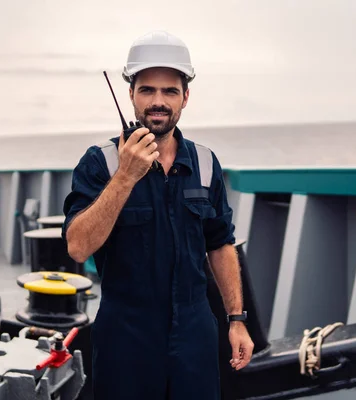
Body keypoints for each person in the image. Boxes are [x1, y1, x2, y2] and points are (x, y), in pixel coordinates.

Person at [62, 30, 254, 399]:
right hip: (126, 335)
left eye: (169, 91)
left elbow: (220, 244)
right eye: (147, 90)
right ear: (131, 94)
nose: (158, 102)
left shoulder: (205, 162)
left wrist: (236, 320)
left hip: (194, 331)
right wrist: (125, 176)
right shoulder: (100, 162)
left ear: (185, 96)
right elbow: (77, 247)